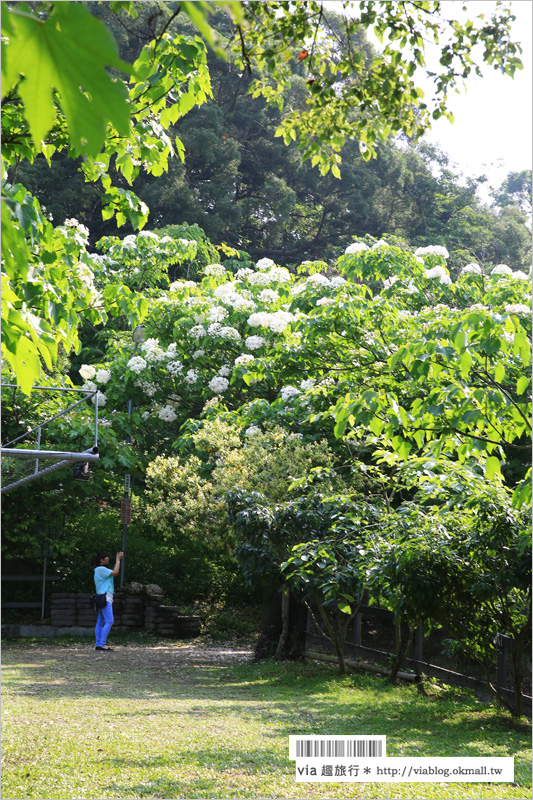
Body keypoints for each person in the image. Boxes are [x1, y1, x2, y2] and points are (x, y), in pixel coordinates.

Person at [91, 550, 123, 651]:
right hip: (105, 598)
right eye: (106, 557)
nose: (108, 558)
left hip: (100, 597)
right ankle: (102, 644)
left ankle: (98, 643)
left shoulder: (98, 570)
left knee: (100, 621)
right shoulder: (101, 569)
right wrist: (118, 560)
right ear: (101, 560)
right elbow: (115, 572)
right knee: (109, 621)